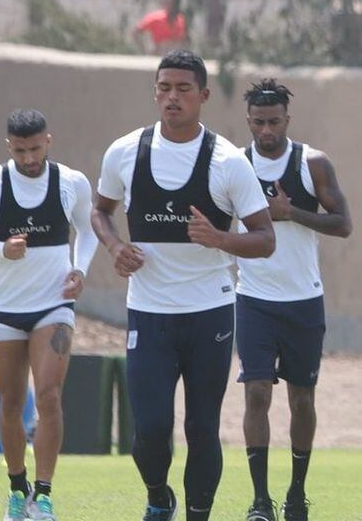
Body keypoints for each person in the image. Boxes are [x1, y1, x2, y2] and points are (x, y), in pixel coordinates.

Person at [91, 50, 274, 521]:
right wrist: (114, 247)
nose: (172, 97)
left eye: (183, 89)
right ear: (155, 91)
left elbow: (265, 239)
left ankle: (198, 514)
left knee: (201, 427)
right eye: (164, 88)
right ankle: (158, 496)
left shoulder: (228, 162)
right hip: (149, 312)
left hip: (209, 313)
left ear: (204, 95)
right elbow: (101, 211)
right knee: (150, 429)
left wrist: (220, 239)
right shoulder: (125, 152)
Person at [0, 108, 97, 521]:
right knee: (10, 403)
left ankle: (44, 495)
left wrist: (80, 270)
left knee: (49, 395)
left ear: (48, 141)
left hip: (54, 306)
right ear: (9, 147)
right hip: (6, 311)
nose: (29, 158)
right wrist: (0, 250)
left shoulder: (71, 182)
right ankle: (18, 490)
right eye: (20, 151)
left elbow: (88, 230)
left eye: (35, 149)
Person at [235, 78, 353, 521]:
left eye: (274, 122)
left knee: (302, 400)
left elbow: (343, 224)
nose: (266, 130)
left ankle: (296, 494)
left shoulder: (312, 163)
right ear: (248, 121)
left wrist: (291, 213)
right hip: (253, 298)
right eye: (259, 122)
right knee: (256, 394)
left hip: (303, 300)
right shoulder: (235, 165)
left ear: (287, 119)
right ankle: (260, 500)